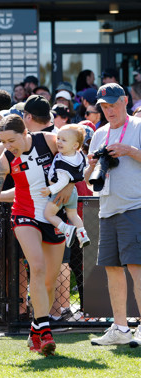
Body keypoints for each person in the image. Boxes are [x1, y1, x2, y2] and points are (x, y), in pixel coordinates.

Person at [0, 114, 74, 357]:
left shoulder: (50, 141)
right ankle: (46, 331)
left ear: (25, 132)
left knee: (49, 280)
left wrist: (71, 183)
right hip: (24, 214)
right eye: (3, 142)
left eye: (11, 140)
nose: (8, 147)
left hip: (54, 215)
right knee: (36, 267)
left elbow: (79, 157)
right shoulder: (5, 160)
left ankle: (36, 327)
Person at [86, 83, 141, 346]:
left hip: (135, 206)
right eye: (104, 106)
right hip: (107, 209)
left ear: (125, 101)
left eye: (112, 104)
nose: (109, 110)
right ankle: (120, 328)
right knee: (112, 269)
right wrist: (91, 166)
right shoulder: (99, 134)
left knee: (137, 268)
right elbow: (88, 181)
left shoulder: (139, 127)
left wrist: (128, 151)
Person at [40, 125, 90, 248]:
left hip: (59, 193)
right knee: (73, 215)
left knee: (49, 215)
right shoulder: (78, 156)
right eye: (58, 138)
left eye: (64, 140)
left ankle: (66, 229)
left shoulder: (64, 162)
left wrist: (50, 190)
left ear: (75, 145)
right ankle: (82, 234)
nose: (59, 142)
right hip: (73, 192)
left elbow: (62, 182)